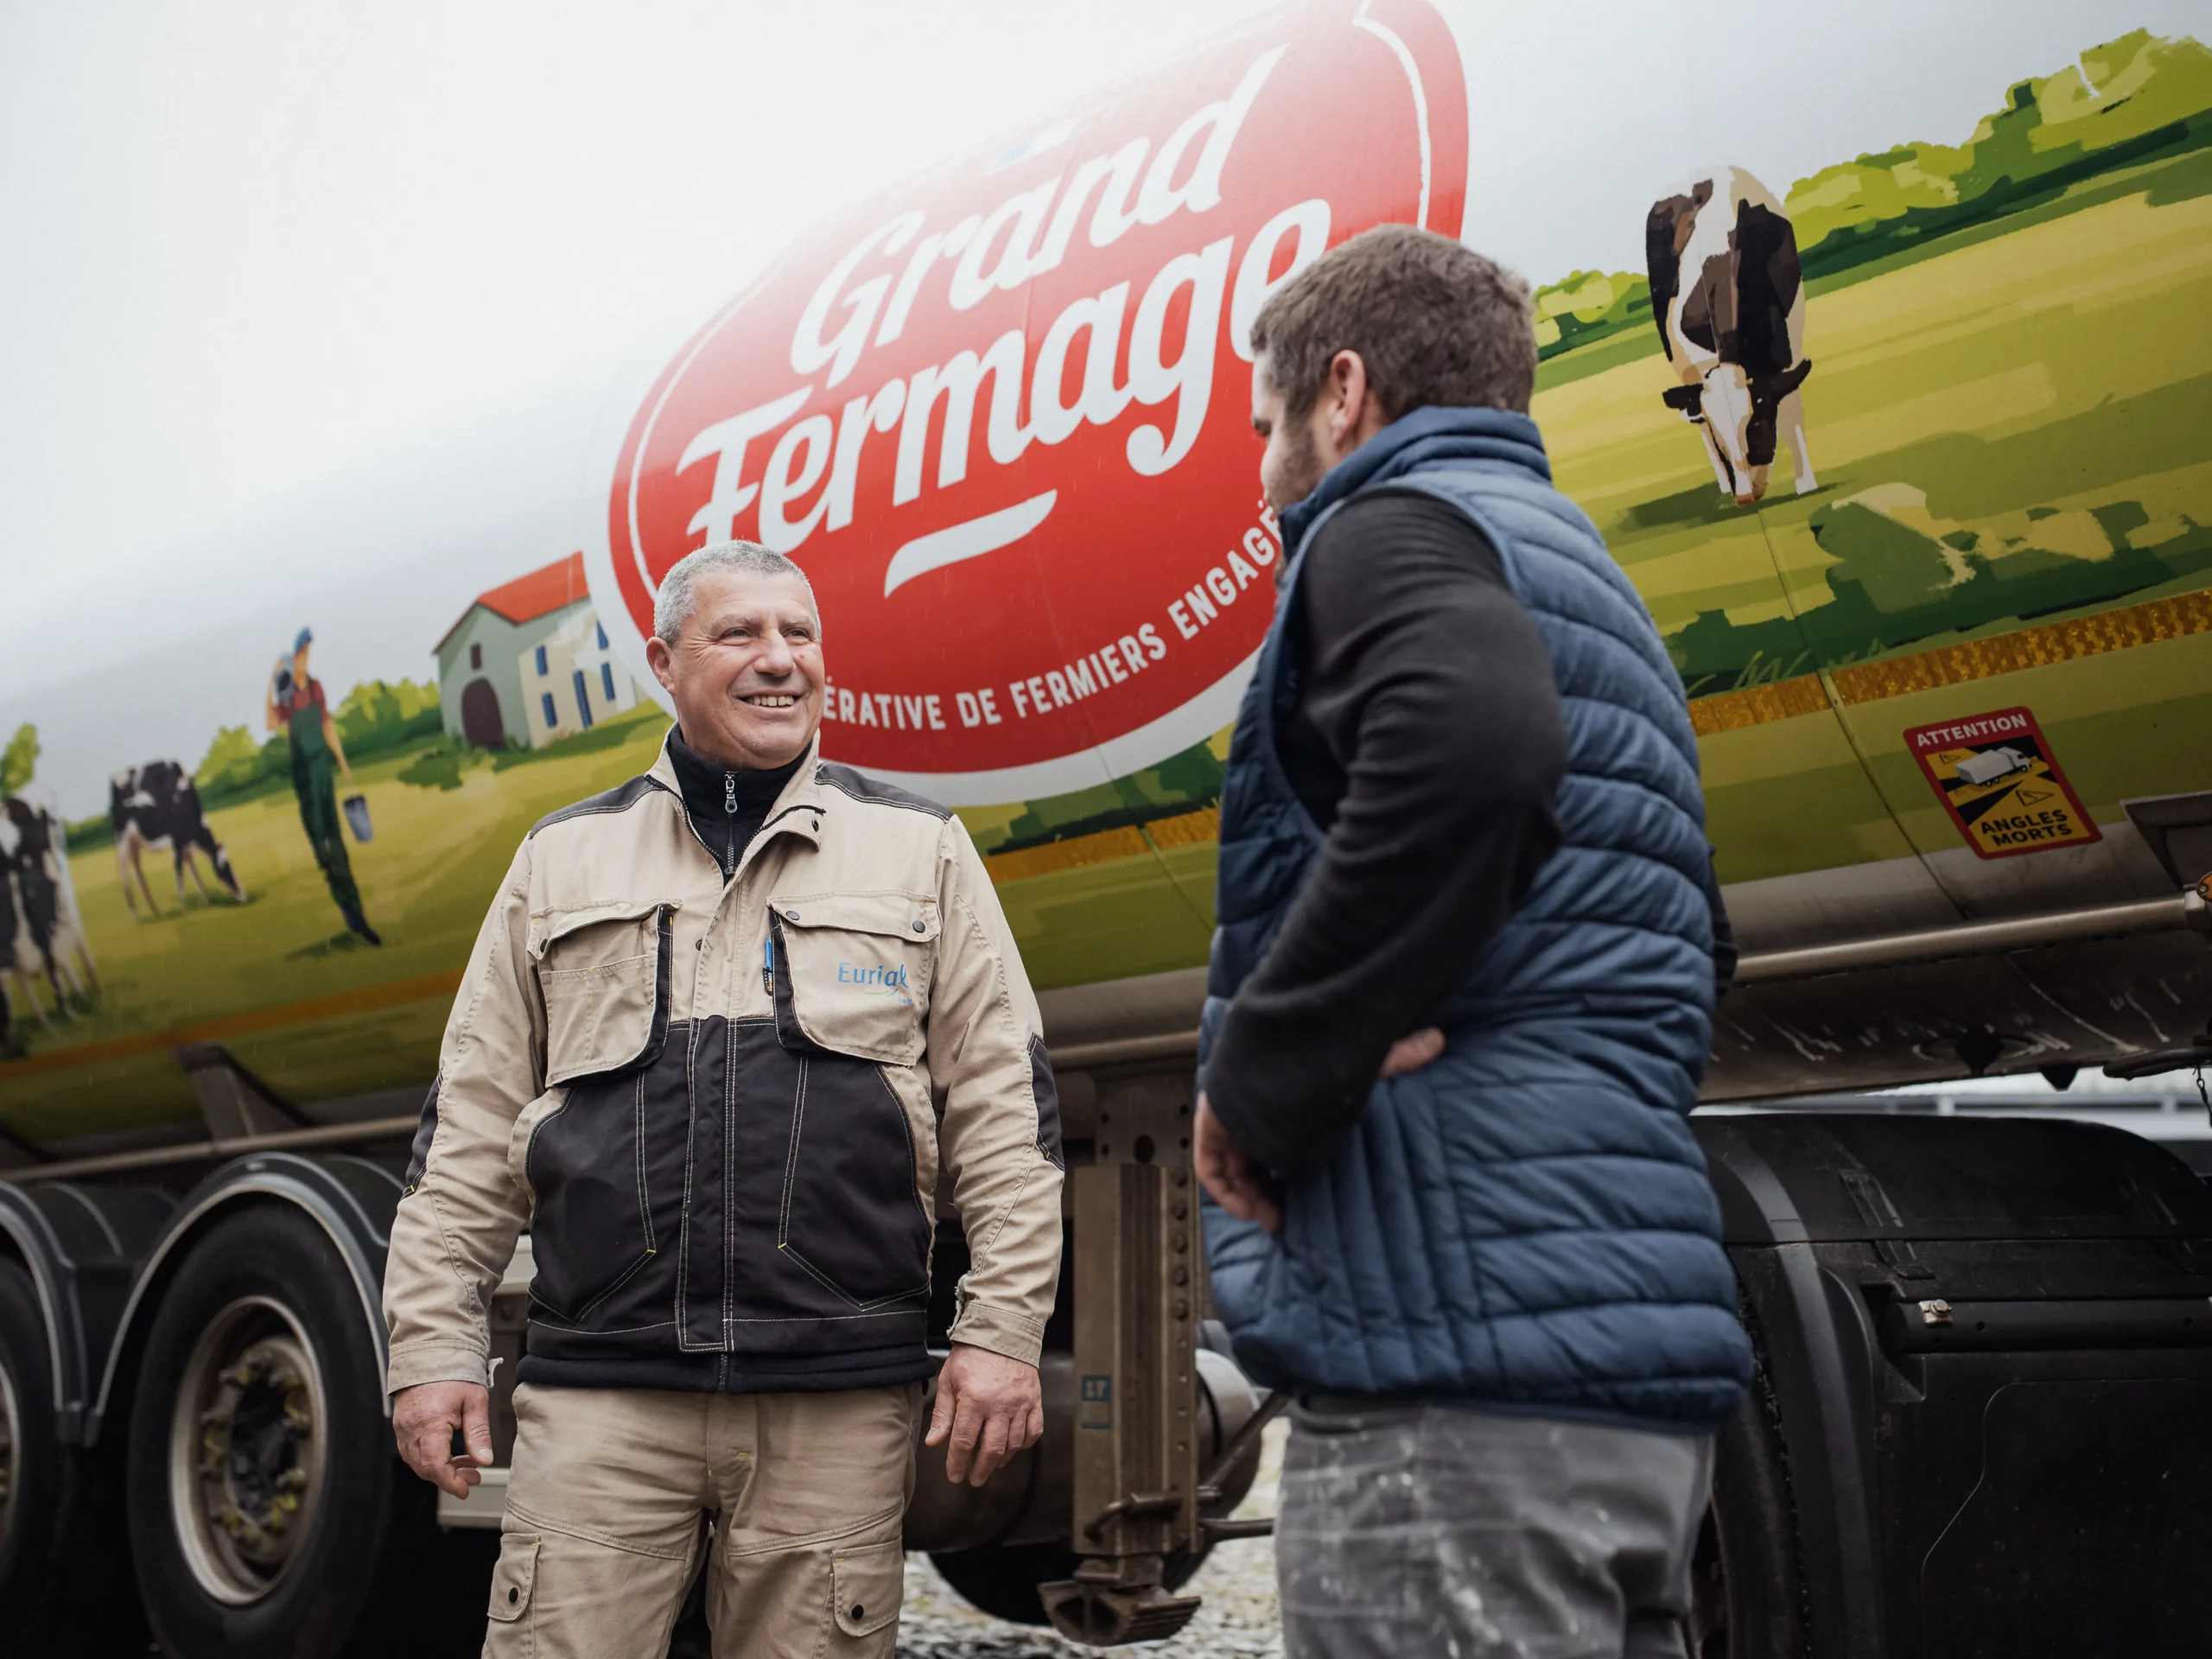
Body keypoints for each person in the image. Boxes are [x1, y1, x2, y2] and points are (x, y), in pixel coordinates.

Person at [1193, 226, 1753, 1659]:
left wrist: (1272, 1070)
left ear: (1343, 391)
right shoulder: (1585, 578)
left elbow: (1473, 757)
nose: (1265, 472)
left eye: (1266, 428)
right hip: (1623, 1374)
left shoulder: (1389, 526)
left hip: (1454, 1360)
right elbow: (1685, 932)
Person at [381, 542, 1063, 1658]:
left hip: (835, 1401)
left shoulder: (919, 852)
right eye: (740, 634)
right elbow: (466, 1131)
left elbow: (1005, 1109)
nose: (780, 660)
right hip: (603, 1398)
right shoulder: (560, 864)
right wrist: (434, 1349)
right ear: (664, 661)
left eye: (800, 635)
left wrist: (1002, 1333)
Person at [265, 628, 378, 944]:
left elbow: (327, 724)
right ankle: (347, 909)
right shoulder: (286, 691)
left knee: (338, 847)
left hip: (322, 776)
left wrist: (342, 762)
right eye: (302, 653)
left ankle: (358, 918)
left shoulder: (315, 688)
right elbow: (272, 724)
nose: (306, 658)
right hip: (305, 784)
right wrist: (271, 681)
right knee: (322, 853)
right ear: (295, 655)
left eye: (308, 653)